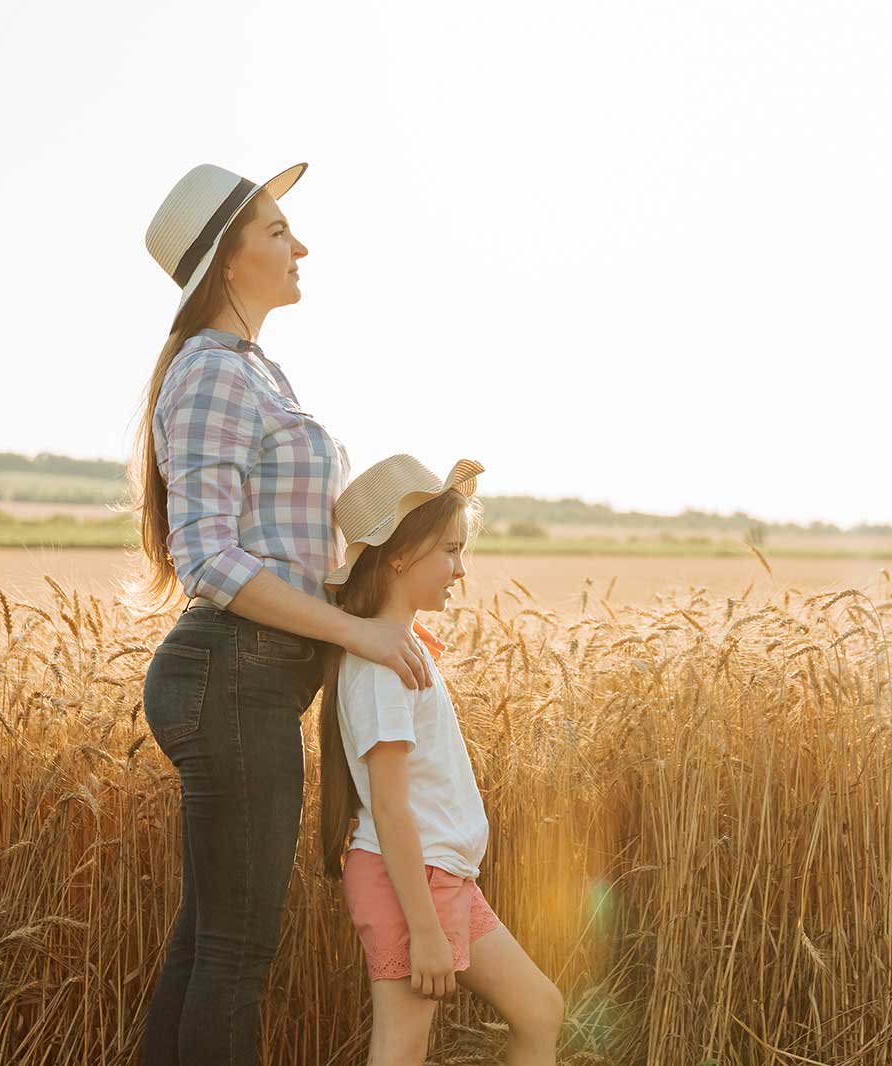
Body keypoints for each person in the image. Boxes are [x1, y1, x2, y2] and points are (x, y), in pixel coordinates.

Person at [129, 161, 437, 1066]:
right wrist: (355, 632)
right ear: (228, 261)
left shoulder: (256, 372)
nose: (299, 245)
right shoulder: (212, 374)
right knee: (236, 951)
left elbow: (284, 553)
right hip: (228, 674)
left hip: (245, 679)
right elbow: (209, 560)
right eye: (275, 230)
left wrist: (376, 605)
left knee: (208, 943)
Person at [319, 454, 565, 1066]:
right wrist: (424, 928)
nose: (461, 570)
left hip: (440, 875)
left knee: (540, 1008)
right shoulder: (382, 665)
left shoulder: (398, 648)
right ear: (400, 555)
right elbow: (390, 804)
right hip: (414, 882)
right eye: (450, 552)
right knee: (401, 1050)